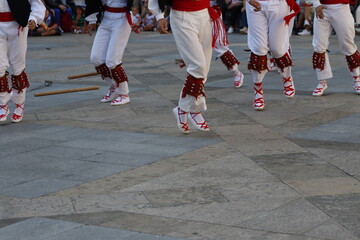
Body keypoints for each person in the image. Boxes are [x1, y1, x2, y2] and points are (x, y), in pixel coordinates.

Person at [149, 0, 226, 133]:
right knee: (198, 66)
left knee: (204, 70)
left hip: (205, 14)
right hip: (182, 15)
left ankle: (182, 109)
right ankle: (194, 110)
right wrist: (159, 16)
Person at [246, 0, 300, 110]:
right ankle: (257, 88)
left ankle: (286, 76)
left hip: (279, 4)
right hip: (254, 4)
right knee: (258, 49)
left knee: (277, 49)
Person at [0, 0, 45, 122]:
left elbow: (36, 3)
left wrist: (34, 18)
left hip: (17, 26)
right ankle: (2, 104)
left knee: (17, 67)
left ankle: (19, 104)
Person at [85, 0, 135, 105]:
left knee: (112, 61)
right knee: (96, 58)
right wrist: (92, 20)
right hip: (106, 18)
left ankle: (124, 94)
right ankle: (113, 87)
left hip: (122, 18)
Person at [311, 0, 360, 96]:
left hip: (340, 7)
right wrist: (316, 4)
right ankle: (322, 82)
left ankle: (357, 79)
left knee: (348, 44)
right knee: (319, 46)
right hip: (322, 7)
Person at [211, 0, 244, 88]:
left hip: (211, 12)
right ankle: (195, 80)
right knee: (194, 50)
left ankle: (236, 72)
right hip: (189, 14)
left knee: (220, 46)